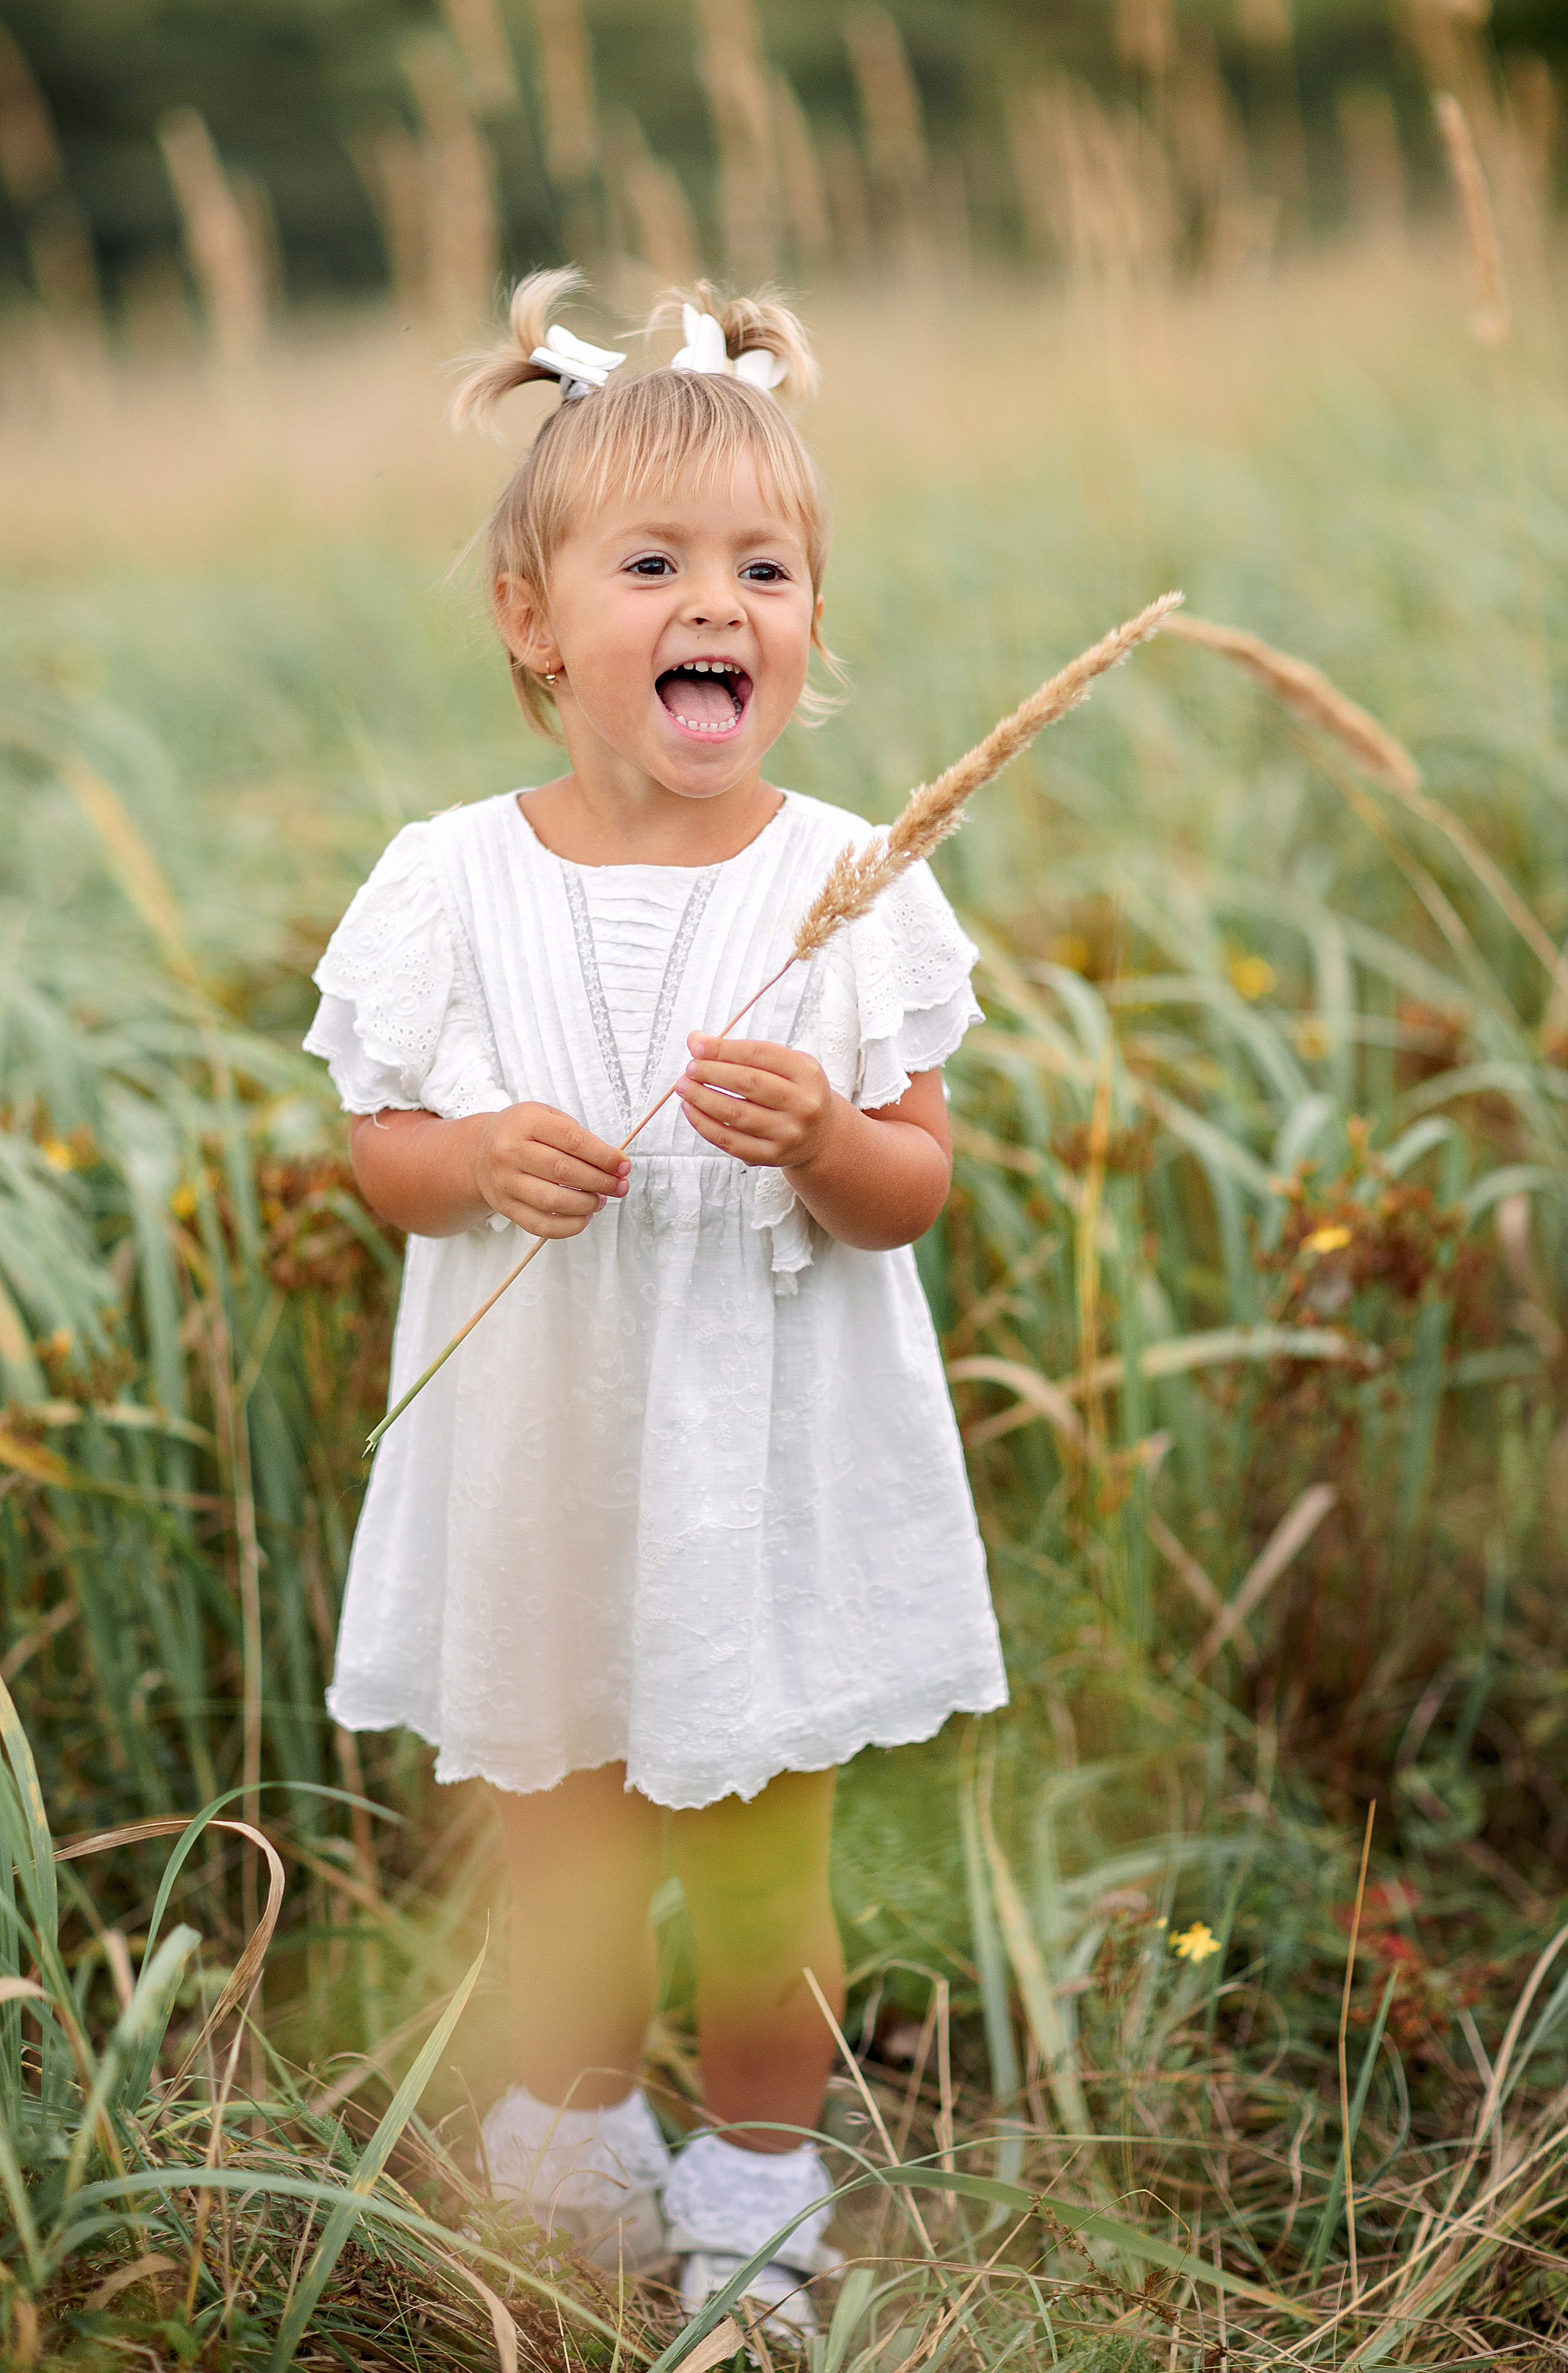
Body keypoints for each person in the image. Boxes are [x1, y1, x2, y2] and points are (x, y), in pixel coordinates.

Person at [303, 269, 1008, 2334]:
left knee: (772, 1860)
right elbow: (383, 1150)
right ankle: (579, 2148)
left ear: (805, 623)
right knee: (568, 1847)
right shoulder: (450, 880)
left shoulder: (856, 878)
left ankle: (758, 2195)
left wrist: (824, 1141)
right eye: (656, 563)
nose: (724, 602)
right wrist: (478, 1154)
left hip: (762, 1473)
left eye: (767, 568)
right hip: (549, 1466)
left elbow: (914, 1193)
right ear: (535, 619)